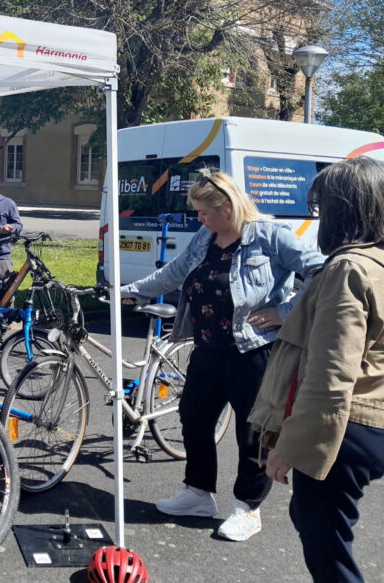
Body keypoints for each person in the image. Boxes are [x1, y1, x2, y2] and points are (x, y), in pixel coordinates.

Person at [120, 169, 323, 542]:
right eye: (198, 212)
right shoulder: (206, 236)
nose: (200, 218)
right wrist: (128, 290)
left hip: (254, 351)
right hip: (207, 348)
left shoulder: (269, 236)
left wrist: (285, 312)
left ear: (228, 207)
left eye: (204, 212)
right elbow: (176, 272)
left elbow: (322, 271)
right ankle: (198, 493)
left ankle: (248, 508)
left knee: (253, 433)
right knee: (193, 419)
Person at [250, 157, 384, 581]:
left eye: (320, 206)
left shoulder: (348, 268)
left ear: (342, 209)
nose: (316, 216)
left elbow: (330, 374)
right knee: (316, 524)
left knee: (327, 553)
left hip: (346, 428)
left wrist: (290, 445)